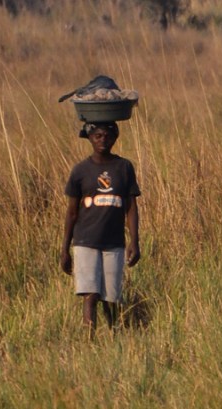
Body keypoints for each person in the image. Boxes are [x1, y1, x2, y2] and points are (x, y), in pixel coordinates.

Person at [60, 121, 141, 339]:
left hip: (114, 242)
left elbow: (131, 207)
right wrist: (64, 249)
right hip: (85, 240)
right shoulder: (80, 171)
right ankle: (89, 340)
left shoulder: (124, 167)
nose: (102, 140)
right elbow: (71, 213)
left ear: (115, 138)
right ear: (89, 138)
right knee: (91, 293)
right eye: (97, 136)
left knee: (111, 297)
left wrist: (135, 241)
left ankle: (115, 337)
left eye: (107, 136)